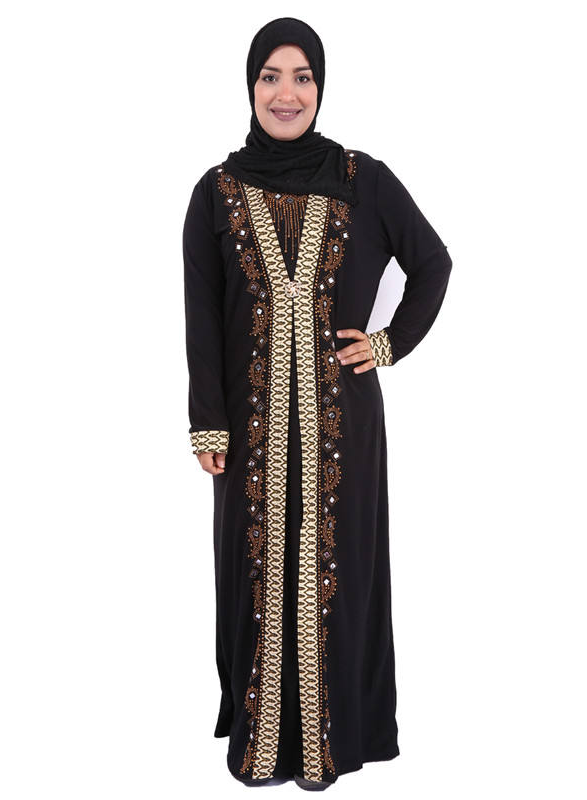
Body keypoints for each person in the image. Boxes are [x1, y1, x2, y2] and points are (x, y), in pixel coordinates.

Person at [182, 17, 453, 791]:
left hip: (345, 432)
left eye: (302, 77)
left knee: (339, 568)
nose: (287, 93)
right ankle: (263, 742)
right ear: (250, 86)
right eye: (270, 76)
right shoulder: (216, 192)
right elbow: (203, 318)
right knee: (256, 570)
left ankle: (336, 741)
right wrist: (207, 420)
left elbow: (433, 263)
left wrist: (388, 343)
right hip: (251, 435)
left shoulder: (363, 179)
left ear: (320, 85)